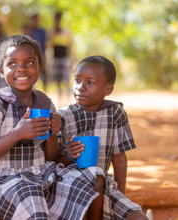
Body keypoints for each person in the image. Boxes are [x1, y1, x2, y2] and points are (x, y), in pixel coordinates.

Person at [0, 35, 103, 220]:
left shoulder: (44, 103)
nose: (21, 68)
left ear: (39, 68)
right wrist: (17, 134)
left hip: (42, 173)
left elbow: (51, 157)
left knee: (93, 178)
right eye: (12, 63)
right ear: (1, 71)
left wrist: (52, 132)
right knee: (30, 195)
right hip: (5, 180)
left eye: (29, 62)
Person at [57, 55, 148, 220]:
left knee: (140, 218)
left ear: (108, 90)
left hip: (104, 187)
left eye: (90, 82)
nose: (81, 87)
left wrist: (121, 196)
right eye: (77, 80)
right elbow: (53, 164)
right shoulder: (62, 117)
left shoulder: (115, 113)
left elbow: (119, 158)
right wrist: (69, 155)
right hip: (69, 188)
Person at [47, 12, 75, 98]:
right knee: (58, 80)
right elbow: (48, 45)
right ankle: (60, 97)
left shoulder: (66, 32)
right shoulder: (51, 32)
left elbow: (70, 46)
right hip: (56, 58)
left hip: (64, 58)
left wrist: (73, 58)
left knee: (66, 79)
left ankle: (67, 96)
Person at [28, 14, 47, 91]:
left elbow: (45, 43)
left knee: (43, 75)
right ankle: (32, 91)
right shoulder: (29, 32)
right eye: (33, 20)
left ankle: (45, 92)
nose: (34, 22)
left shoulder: (42, 32)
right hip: (31, 56)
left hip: (41, 55)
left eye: (36, 20)